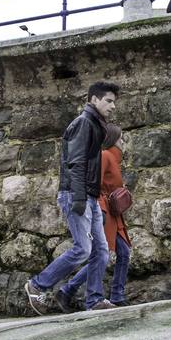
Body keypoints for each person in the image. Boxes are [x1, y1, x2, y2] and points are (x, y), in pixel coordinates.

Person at [25, 81, 119, 314]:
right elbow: (75, 162)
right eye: (108, 100)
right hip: (76, 194)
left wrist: (93, 199)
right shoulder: (83, 123)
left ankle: (94, 299)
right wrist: (79, 198)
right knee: (83, 249)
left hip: (89, 196)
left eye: (114, 101)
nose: (113, 106)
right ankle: (37, 285)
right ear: (94, 99)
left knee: (101, 250)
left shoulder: (95, 125)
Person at [56, 125, 131, 310]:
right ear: (113, 139)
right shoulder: (105, 155)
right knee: (100, 256)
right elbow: (93, 183)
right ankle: (68, 289)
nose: (123, 142)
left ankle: (117, 295)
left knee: (123, 252)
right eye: (120, 138)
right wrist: (98, 209)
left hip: (114, 215)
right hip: (104, 212)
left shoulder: (114, 159)